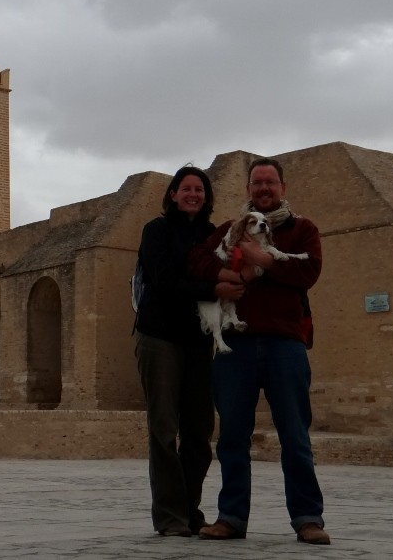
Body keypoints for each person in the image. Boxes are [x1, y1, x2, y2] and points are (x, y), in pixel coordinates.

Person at [189, 157, 330, 545]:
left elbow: (309, 272)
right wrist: (226, 278)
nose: (264, 189)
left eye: (270, 182)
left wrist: (263, 260)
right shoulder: (229, 231)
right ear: (249, 190)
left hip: (285, 344)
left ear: (282, 187)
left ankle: (307, 518)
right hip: (236, 347)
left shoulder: (303, 230)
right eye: (257, 183)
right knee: (233, 436)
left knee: (295, 435)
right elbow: (198, 260)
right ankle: (231, 517)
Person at [134, 165, 245, 537]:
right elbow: (163, 282)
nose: (193, 194)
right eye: (186, 188)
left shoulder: (212, 236)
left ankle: (187, 509)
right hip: (160, 337)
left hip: (199, 341)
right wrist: (213, 290)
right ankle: (169, 516)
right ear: (173, 194)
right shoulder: (157, 231)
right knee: (164, 428)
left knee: (198, 429)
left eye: (199, 189)